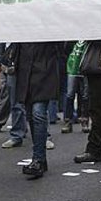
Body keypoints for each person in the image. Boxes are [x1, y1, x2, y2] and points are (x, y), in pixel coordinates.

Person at [15, 42, 64, 179]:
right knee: (31, 115)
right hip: (27, 69)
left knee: (37, 114)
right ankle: (40, 158)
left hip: (44, 68)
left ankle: (38, 159)